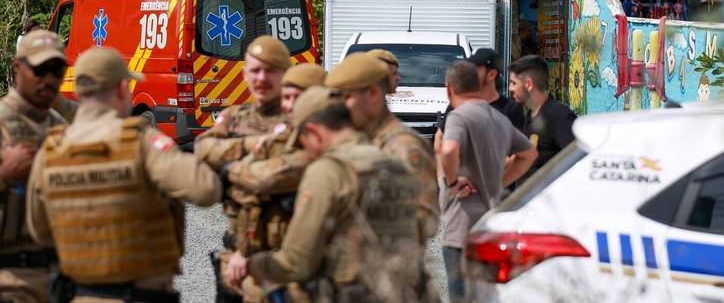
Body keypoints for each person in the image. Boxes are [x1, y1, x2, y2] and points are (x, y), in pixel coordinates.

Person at [25, 46, 221, 302]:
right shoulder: (142, 143)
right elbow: (206, 189)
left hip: (81, 295)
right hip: (141, 294)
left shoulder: (50, 152)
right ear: (120, 88)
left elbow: (38, 231)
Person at [235, 86, 424, 302]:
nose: (304, 151)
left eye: (302, 142)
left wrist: (252, 265)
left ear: (314, 132)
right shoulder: (392, 162)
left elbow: (296, 262)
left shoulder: (328, 171)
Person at [325, 53, 439, 298]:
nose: (340, 107)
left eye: (346, 98)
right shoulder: (354, 143)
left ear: (374, 95)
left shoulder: (402, 147)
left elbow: (425, 219)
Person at [194, 35, 297, 302]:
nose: (262, 78)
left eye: (270, 71)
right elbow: (203, 149)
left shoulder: (298, 121)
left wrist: (230, 163)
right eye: (255, 70)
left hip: (283, 250)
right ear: (244, 74)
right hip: (237, 242)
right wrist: (249, 145)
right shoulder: (234, 117)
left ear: (285, 73)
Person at [436, 60, 536, 302]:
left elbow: (448, 150)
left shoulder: (458, 117)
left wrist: (450, 182)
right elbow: (529, 154)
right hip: (491, 225)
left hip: (461, 227)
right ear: (479, 86)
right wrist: (498, 182)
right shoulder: (499, 118)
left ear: (449, 89)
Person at [0, 30, 72, 303]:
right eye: (40, 69)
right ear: (18, 67)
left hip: (58, 278)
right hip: (9, 280)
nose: (49, 79)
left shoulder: (61, 129)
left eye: (56, 70)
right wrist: (4, 175)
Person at [508, 55, 576, 186]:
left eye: (514, 83)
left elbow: (576, 160)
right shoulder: (530, 115)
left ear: (528, 84)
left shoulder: (558, 115)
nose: (510, 88)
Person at [436, 48, 525, 135]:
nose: (469, 72)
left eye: (474, 69)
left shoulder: (511, 110)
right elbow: (440, 136)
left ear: (491, 74)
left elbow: (521, 147)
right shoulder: (458, 103)